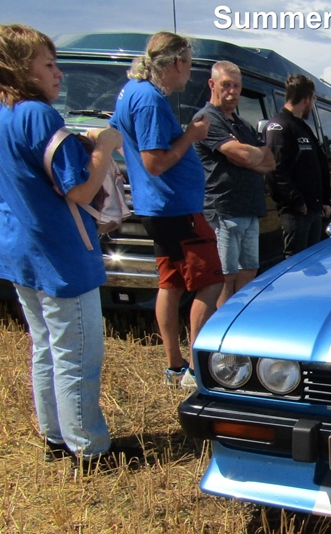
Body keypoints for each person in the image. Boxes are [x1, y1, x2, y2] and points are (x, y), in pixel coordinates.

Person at [0, 24, 138, 469]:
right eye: (49, 64)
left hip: (22, 252)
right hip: (60, 254)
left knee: (46, 347)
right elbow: (79, 189)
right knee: (78, 354)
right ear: (21, 68)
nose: (58, 73)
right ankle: (90, 448)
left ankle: (56, 436)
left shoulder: (5, 114)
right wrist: (106, 146)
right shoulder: (39, 115)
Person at [111, 31, 223, 389]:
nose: (189, 73)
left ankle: (175, 366)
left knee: (171, 283)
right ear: (176, 62)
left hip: (158, 206)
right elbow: (155, 162)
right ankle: (196, 368)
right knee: (211, 282)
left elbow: (115, 136)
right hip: (175, 207)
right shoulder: (149, 100)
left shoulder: (131, 91)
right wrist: (191, 135)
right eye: (189, 64)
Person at [193, 61, 274, 307]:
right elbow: (249, 156)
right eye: (226, 85)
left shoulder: (243, 124)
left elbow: (270, 161)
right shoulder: (207, 119)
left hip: (249, 210)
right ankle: (223, 326)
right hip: (223, 210)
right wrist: (248, 155)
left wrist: (244, 156)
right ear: (212, 84)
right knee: (225, 277)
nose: (232, 91)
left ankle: (239, 323)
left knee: (248, 272)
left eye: (237, 86)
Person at [265, 74, 331, 258]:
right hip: (296, 213)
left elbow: (318, 165)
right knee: (295, 264)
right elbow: (275, 170)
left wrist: (324, 200)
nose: (312, 104)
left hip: (314, 210)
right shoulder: (279, 126)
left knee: (313, 262)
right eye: (313, 99)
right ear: (307, 98)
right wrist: (297, 202)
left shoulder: (304, 127)